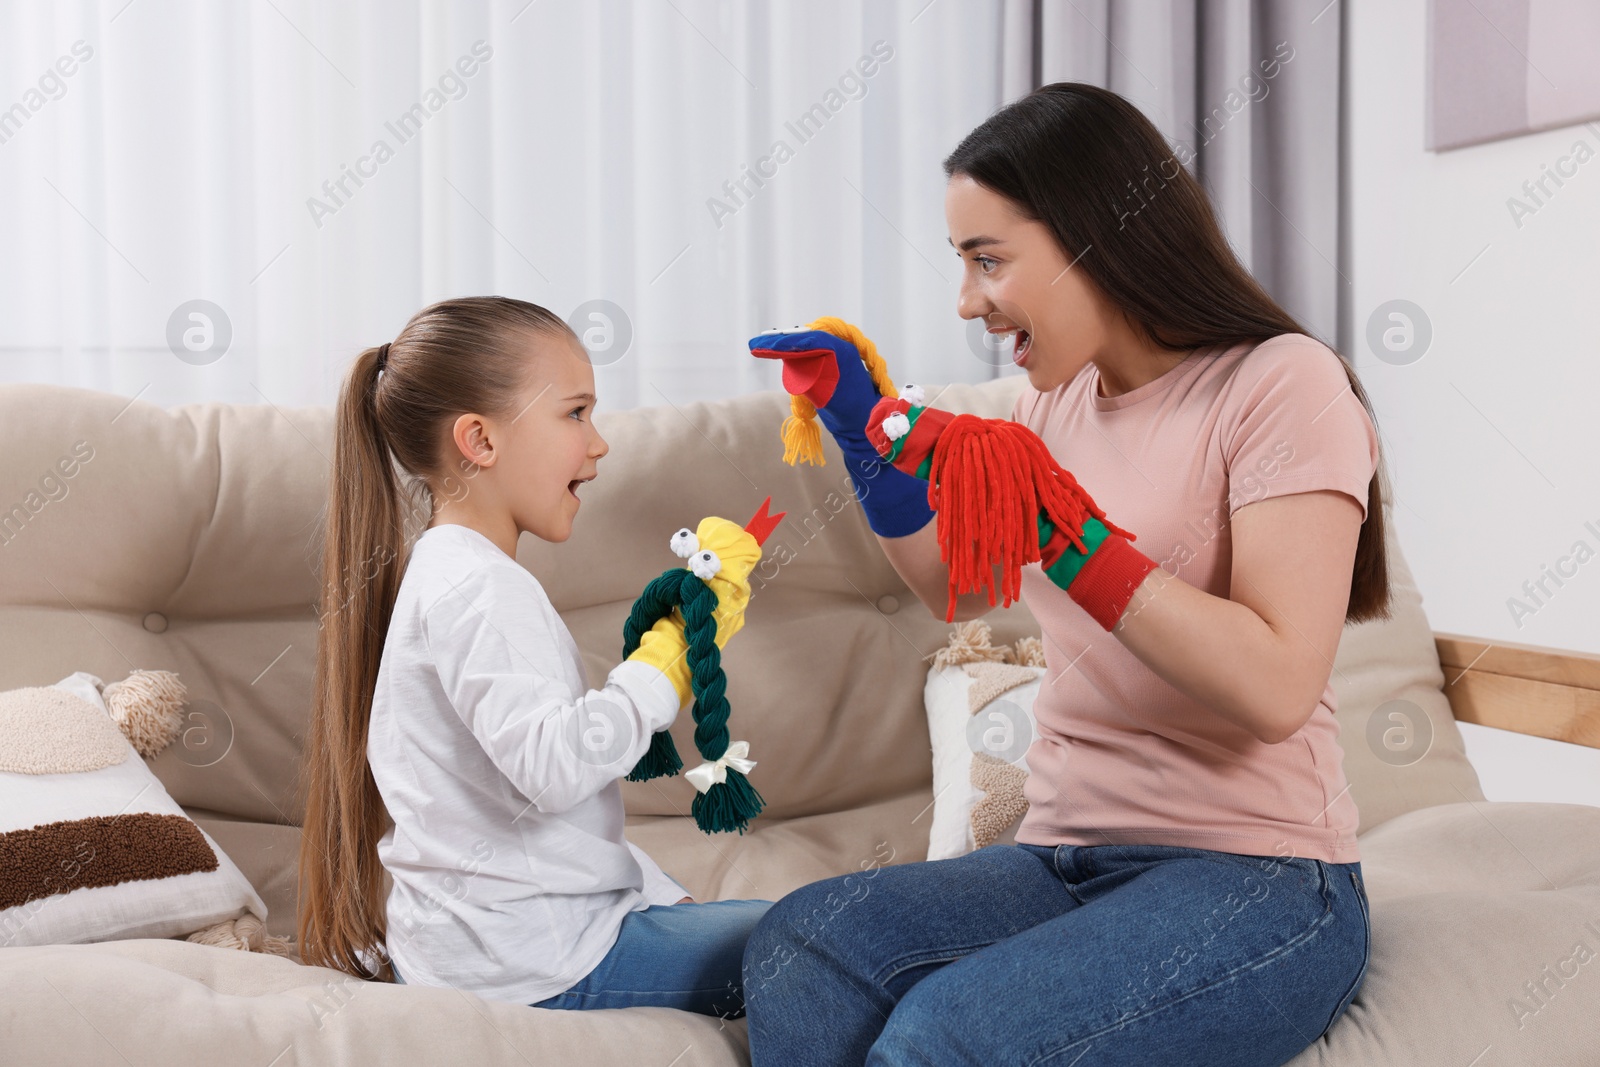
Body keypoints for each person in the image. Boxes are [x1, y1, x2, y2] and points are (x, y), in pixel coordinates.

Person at [742, 83, 1380, 1065]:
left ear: (1094, 235)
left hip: (1261, 874)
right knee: (803, 946)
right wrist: (860, 441)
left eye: (986, 259)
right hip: (1062, 854)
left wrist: (1072, 534)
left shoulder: (1279, 381)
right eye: (962, 262)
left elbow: (1275, 685)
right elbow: (955, 592)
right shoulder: (1049, 411)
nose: (966, 301)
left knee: (948, 1036)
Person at [297, 295, 770, 1016]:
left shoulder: (451, 570)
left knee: (803, 928)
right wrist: (660, 667)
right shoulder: (477, 588)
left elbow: (532, 826)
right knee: (828, 939)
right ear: (480, 441)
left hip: (497, 946)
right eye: (575, 413)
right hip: (535, 968)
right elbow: (551, 769)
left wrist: (656, 895)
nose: (599, 441)